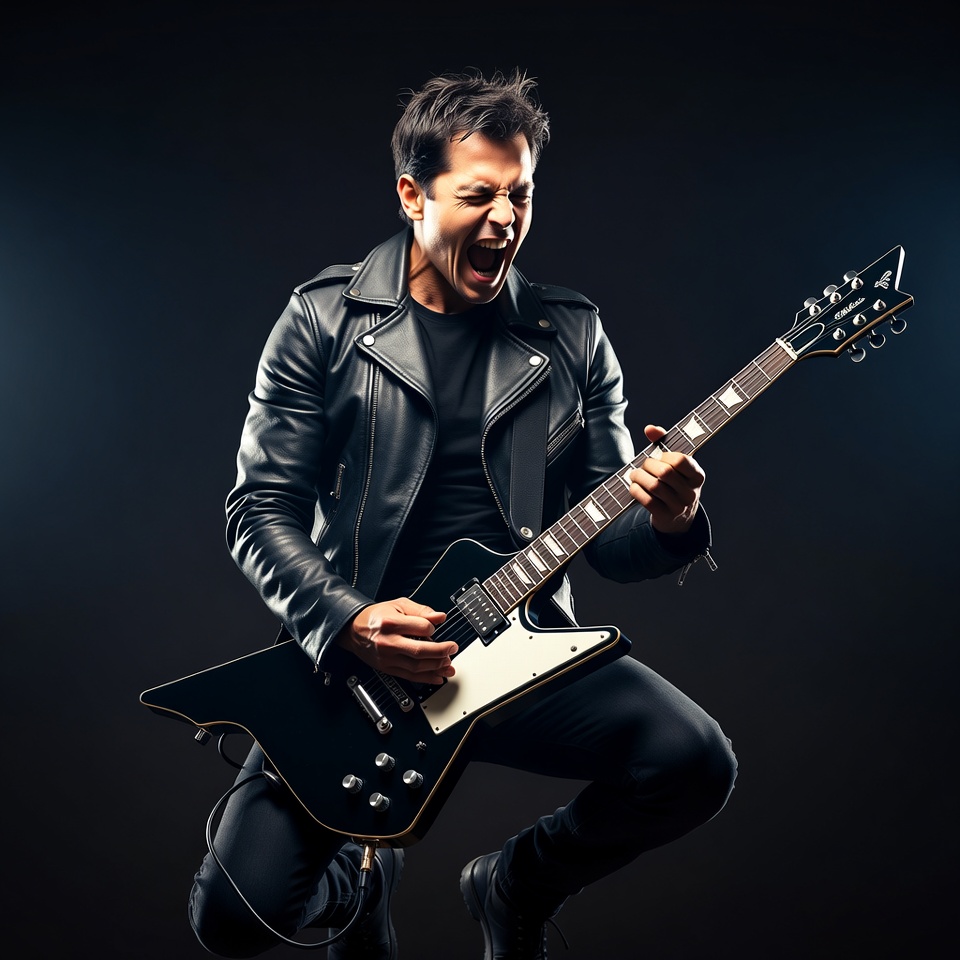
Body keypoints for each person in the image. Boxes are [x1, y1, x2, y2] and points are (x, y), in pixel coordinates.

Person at [188, 70, 737, 959]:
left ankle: (516, 882)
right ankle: (363, 878)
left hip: (515, 644)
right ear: (413, 195)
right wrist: (351, 618)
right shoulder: (324, 320)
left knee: (694, 760)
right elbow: (260, 510)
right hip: (360, 676)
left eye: (521, 195)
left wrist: (673, 519)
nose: (505, 219)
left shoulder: (570, 334)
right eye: (479, 195)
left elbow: (614, 541)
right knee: (235, 916)